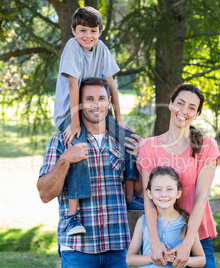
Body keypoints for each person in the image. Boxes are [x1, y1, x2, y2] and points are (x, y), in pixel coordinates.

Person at [53, 6, 143, 236]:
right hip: (70, 112)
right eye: (82, 30)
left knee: (131, 140)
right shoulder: (72, 48)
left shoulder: (100, 48)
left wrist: (120, 118)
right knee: (79, 147)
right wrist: (74, 123)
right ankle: (72, 217)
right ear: (73, 30)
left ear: (100, 32)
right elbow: (74, 85)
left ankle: (131, 197)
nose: (87, 36)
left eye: (93, 31)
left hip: (95, 110)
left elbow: (110, 83)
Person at [37, 78, 134, 268]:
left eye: (101, 98)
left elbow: (138, 190)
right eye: (89, 99)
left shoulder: (122, 142)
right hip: (77, 250)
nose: (96, 104)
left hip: (117, 248)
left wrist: (142, 160)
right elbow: (45, 194)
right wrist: (65, 160)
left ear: (110, 102)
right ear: (79, 104)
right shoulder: (61, 142)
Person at [129, 84, 220, 268]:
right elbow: (149, 198)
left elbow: (202, 197)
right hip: (161, 239)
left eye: (192, 108)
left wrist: (187, 244)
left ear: (197, 114)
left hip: (196, 239)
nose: (184, 111)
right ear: (170, 104)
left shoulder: (206, 147)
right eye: (180, 103)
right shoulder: (149, 147)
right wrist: (154, 241)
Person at [126, 166, 206, 267]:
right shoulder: (143, 221)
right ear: (149, 193)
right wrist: (154, 256)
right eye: (158, 189)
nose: (163, 194)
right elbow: (129, 259)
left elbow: (201, 260)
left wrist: (178, 259)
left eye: (169, 189)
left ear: (178, 193)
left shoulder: (186, 222)